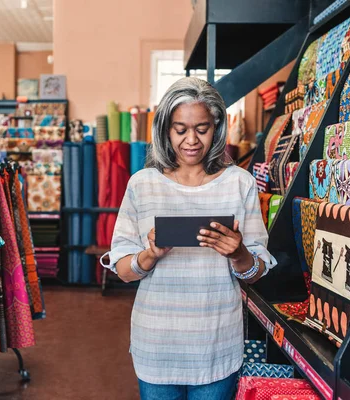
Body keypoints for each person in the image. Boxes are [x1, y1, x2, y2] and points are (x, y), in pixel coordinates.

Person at [101, 77, 276, 400]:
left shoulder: (240, 183)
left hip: (216, 342)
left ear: (217, 127)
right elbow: (123, 271)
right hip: (156, 343)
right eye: (180, 129)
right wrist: (149, 255)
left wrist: (239, 254)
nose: (191, 140)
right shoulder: (143, 184)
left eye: (202, 128)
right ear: (166, 130)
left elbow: (257, 271)